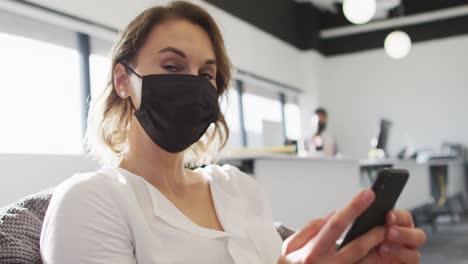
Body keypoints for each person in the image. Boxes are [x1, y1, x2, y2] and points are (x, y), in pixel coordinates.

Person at [40, 1, 426, 263]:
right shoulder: (91, 201)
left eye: (206, 74)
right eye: (173, 66)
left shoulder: (237, 188)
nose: (193, 83)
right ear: (123, 79)